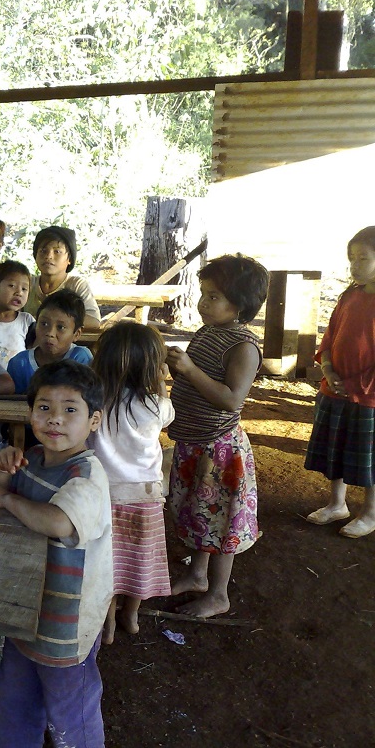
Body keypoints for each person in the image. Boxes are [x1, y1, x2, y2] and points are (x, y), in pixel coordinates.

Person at [0, 360, 112, 747]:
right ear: (30, 413)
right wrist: (3, 469)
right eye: (44, 408)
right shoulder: (33, 459)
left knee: (71, 712)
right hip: (27, 610)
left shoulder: (85, 477)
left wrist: (3, 495)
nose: (56, 419)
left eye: (71, 409)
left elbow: (57, 523)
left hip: (66, 624)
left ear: (94, 420)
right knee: (15, 699)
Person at [166, 254, 269, 618]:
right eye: (204, 294)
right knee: (198, 514)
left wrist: (189, 370)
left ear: (240, 305)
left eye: (214, 297)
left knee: (221, 521)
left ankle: (219, 594)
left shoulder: (243, 346)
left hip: (220, 450)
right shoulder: (208, 332)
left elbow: (230, 399)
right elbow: (194, 381)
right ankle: (197, 575)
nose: (203, 303)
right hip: (194, 442)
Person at [89, 322, 175, 643]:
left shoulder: (95, 402)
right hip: (146, 497)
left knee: (109, 561)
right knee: (139, 556)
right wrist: (162, 384)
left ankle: (107, 622)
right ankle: (132, 615)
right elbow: (169, 416)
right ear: (151, 367)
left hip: (103, 495)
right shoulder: (155, 405)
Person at [304, 227, 375, 538]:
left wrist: (357, 383)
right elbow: (331, 336)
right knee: (337, 447)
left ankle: (370, 512)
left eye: (363, 259)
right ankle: (337, 504)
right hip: (335, 389)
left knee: (368, 456)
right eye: (351, 259)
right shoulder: (349, 295)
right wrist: (329, 370)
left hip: (369, 396)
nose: (355, 266)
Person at [7, 289, 94, 395]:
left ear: (76, 334)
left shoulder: (81, 358)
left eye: (60, 327)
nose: (50, 333)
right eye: (44, 324)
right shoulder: (19, 363)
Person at [24, 226, 101, 329]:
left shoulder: (76, 285)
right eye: (43, 251)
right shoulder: (27, 283)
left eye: (57, 252)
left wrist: (46, 320)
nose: (49, 256)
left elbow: (94, 321)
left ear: (69, 259)